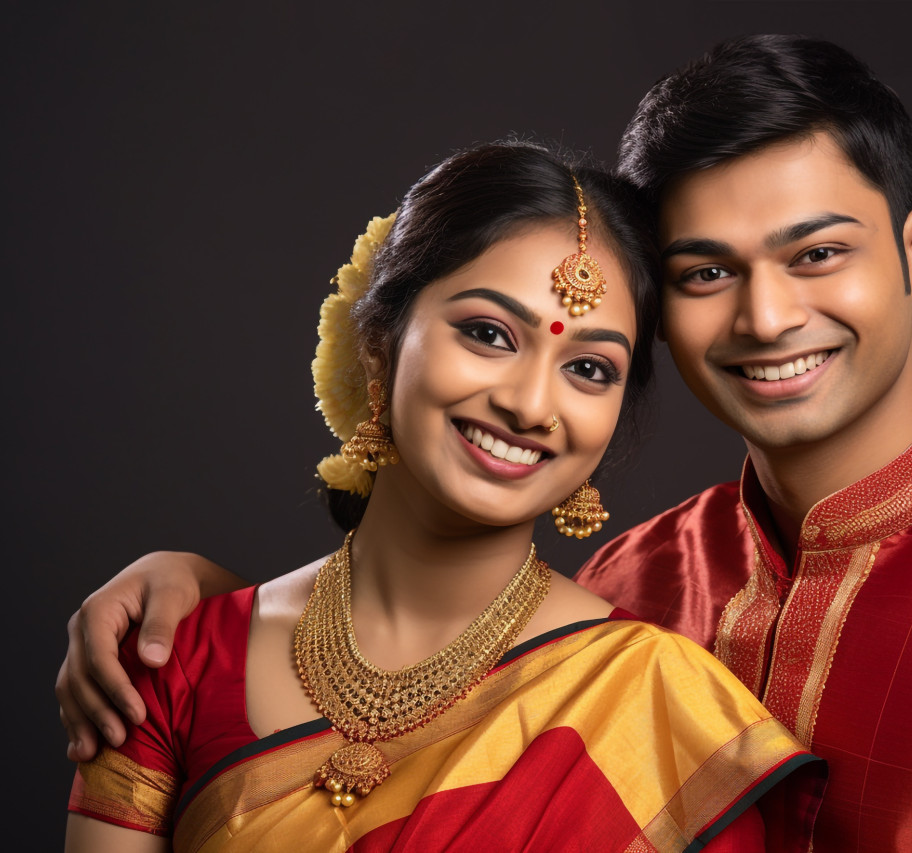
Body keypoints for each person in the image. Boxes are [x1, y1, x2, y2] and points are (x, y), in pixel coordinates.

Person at [58, 36, 912, 851]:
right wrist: (200, 607)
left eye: (816, 253)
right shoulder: (624, 588)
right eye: (705, 273)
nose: (765, 316)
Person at [63, 141, 825, 852]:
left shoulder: (653, 705)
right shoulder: (177, 657)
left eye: (589, 369)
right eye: (490, 333)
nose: (531, 404)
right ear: (380, 343)